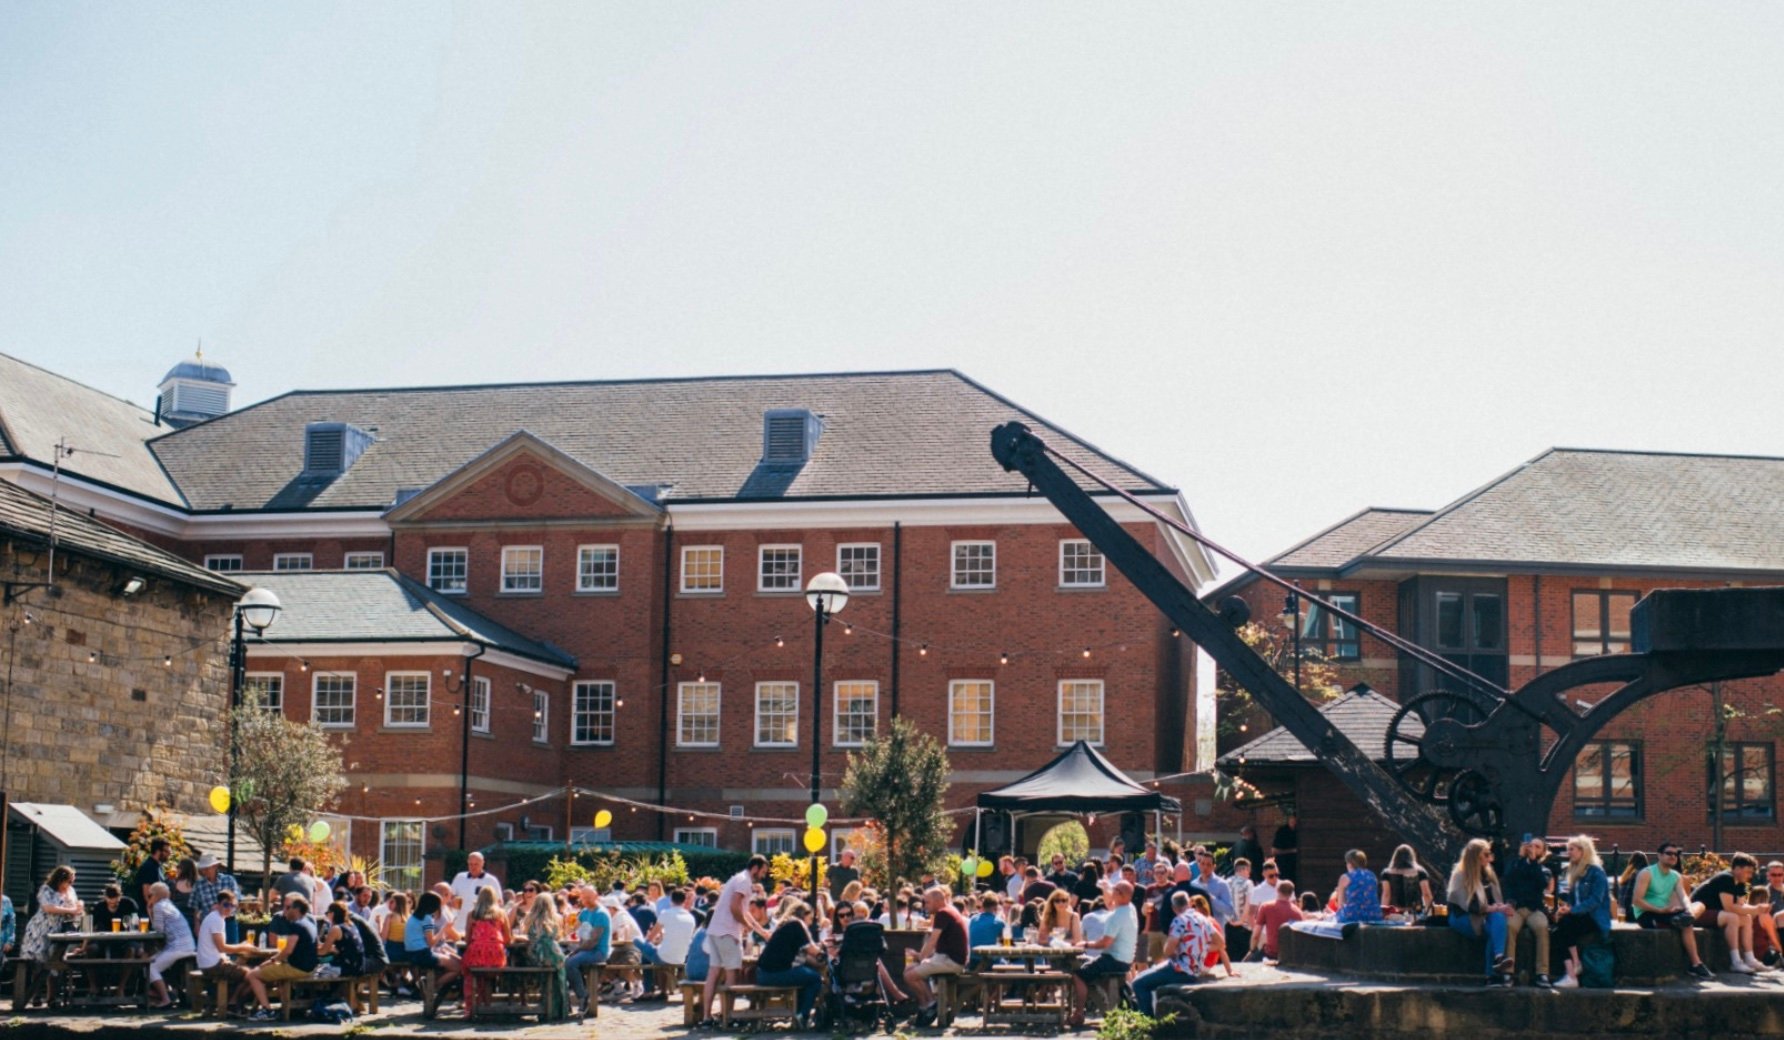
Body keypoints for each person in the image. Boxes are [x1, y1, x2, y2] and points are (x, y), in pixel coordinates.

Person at [698, 853, 768, 1027]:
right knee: (732, 974)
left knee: (713, 974)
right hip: (728, 932)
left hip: (715, 930)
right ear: (755, 868)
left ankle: (707, 1017)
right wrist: (746, 925)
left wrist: (761, 930)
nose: (763, 875)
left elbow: (743, 911)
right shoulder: (744, 882)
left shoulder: (737, 878)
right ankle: (727, 1017)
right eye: (763, 871)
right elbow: (735, 907)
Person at [1131, 891, 1222, 1016]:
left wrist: (1178, 949)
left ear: (1174, 908)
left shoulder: (1179, 921)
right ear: (1189, 903)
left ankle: (1147, 1024)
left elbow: (1168, 951)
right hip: (1195, 969)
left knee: (1138, 983)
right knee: (1149, 973)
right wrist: (1201, 948)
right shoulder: (1203, 920)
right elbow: (1220, 943)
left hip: (1180, 970)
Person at [1631, 841, 1712, 979]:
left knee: (1699, 905)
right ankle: (1696, 964)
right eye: (1669, 853)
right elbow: (1637, 901)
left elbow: (1684, 896)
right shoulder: (1647, 873)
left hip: (1667, 912)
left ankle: (1685, 919)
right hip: (1648, 913)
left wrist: (1688, 911)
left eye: (1676, 854)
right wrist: (1660, 910)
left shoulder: (1675, 876)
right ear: (1659, 855)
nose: (1673, 856)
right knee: (1686, 925)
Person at [195, 889, 274, 1019]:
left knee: (247, 970)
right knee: (252, 975)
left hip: (210, 962)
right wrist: (243, 946)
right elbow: (222, 947)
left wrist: (241, 949)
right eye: (226, 905)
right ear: (218, 904)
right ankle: (233, 1004)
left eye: (232, 906)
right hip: (212, 965)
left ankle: (232, 1003)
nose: (229, 908)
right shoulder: (217, 920)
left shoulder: (215, 917)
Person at [1690, 851, 1770, 975]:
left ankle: (1750, 958)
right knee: (1732, 917)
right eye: (1748, 872)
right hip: (1699, 913)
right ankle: (1735, 962)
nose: (1749, 876)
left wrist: (1758, 908)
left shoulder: (1742, 883)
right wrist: (1756, 909)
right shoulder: (1726, 878)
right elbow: (1730, 907)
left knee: (1747, 918)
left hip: (1716, 914)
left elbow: (1741, 906)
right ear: (1737, 868)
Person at [1446, 838, 1513, 987]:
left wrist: (1499, 908)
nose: (1490, 858)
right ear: (1476, 856)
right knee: (1492, 930)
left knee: (1499, 918)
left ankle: (1498, 958)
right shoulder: (1459, 875)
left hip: (1485, 914)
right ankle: (1493, 973)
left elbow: (1495, 901)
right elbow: (1469, 905)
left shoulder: (1488, 874)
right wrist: (1493, 908)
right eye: (1487, 854)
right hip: (1463, 916)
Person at [1070, 880, 1136, 1028]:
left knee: (1079, 974)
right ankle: (1109, 1010)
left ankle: (1079, 1013)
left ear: (1119, 894)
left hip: (1113, 958)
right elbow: (1110, 903)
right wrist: (1107, 889)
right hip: (1126, 959)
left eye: (1114, 891)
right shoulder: (1130, 909)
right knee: (1090, 969)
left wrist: (1085, 944)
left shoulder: (1115, 917)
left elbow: (1104, 943)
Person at [1551, 835, 1612, 988]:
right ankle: (1574, 970)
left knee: (1563, 927)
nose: (1568, 853)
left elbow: (1595, 901)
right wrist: (1566, 908)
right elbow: (1573, 900)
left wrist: (1572, 910)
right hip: (1579, 916)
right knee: (1557, 931)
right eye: (1568, 850)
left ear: (1583, 851)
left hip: (1594, 918)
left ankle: (1573, 971)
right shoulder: (1576, 872)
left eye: (1571, 849)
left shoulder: (1596, 873)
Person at [754, 899, 824, 1028]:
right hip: (775, 974)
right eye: (810, 918)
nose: (810, 922)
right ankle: (803, 1015)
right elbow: (813, 951)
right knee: (815, 979)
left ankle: (799, 1013)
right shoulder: (798, 925)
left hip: (762, 974)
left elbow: (806, 957)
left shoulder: (785, 926)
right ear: (804, 915)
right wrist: (824, 954)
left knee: (805, 976)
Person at [905, 887, 968, 1027]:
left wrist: (920, 957)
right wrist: (921, 957)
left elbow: (932, 940)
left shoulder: (942, 913)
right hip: (948, 958)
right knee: (909, 971)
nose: (924, 906)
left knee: (909, 976)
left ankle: (931, 1004)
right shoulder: (949, 911)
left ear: (939, 901)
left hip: (951, 961)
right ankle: (926, 1006)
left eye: (927, 902)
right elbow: (934, 944)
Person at [1502, 834, 1553, 986]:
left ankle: (1542, 973)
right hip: (1516, 908)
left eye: (1537, 847)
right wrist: (1521, 857)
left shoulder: (1543, 869)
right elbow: (1509, 878)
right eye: (1531, 845)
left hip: (1534, 909)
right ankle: (1507, 973)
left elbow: (1541, 883)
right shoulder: (1515, 864)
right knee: (1509, 927)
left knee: (1542, 927)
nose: (1533, 848)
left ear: (1542, 853)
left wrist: (1533, 862)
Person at [251, 894, 322, 995]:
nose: (285, 910)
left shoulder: (297, 925)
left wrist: (271, 961)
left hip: (297, 968)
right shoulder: (309, 923)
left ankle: (266, 1008)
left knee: (253, 975)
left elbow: (288, 950)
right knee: (269, 972)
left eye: (289, 907)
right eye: (284, 907)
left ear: (296, 909)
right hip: (309, 967)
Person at [522, 890, 573, 1021]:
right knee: (559, 976)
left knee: (545, 976)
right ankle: (559, 1008)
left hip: (536, 954)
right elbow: (559, 936)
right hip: (553, 953)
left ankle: (546, 1006)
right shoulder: (557, 918)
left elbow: (526, 936)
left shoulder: (529, 917)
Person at [460, 887, 512, 1015]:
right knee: (487, 975)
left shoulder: (472, 914)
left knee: (469, 971)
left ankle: (471, 1006)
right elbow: (508, 939)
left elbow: (467, 941)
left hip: (476, 953)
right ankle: (485, 1004)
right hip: (496, 955)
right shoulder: (501, 914)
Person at [144, 882, 197, 1008]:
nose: (148, 897)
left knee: (150, 967)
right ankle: (166, 992)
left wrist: (149, 911)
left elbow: (158, 930)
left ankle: (165, 999)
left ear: (155, 895)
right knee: (151, 960)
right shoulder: (169, 905)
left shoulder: (158, 907)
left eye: (150, 895)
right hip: (187, 945)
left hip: (178, 947)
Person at [20, 865, 82, 965]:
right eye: (69, 881)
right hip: (41, 929)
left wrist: (79, 906)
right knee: (34, 960)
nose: (71, 884)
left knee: (54, 961)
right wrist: (71, 910)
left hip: (59, 930)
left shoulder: (70, 891)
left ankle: (50, 980)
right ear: (60, 879)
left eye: (72, 881)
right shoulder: (46, 889)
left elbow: (75, 906)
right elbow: (48, 908)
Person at [404, 891, 462, 993]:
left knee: (449, 958)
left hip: (411, 954)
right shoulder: (427, 918)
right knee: (458, 967)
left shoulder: (413, 917)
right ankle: (432, 987)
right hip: (423, 955)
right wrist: (444, 929)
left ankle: (429, 986)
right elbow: (431, 943)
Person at [564, 884, 611, 1010]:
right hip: (584, 949)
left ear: (596, 896)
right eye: (584, 897)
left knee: (570, 963)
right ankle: (564, 1002)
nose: (586, 900)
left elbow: (593, 941)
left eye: (589, 897)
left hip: (598, 951)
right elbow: (573, 930)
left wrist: (575, 951)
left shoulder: (601, 914)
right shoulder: (584, 912)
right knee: (560, 960)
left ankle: (582, 995)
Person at [1250, 880, 1303, 962]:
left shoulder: (1266, 907)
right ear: (1291, 893)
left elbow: (1256, 934)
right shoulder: (1298, 913)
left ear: (1277, 890)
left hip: (1270, 953)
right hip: (1289, 955)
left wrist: (1252, 950)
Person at [1332, 849, 1383, 929]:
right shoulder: (1372, 875)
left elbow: (1340, 905)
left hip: (1353, 916)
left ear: (1350, 864)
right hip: (1374, 915)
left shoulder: (1345, 877)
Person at [189, 854, 241, 931]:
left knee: (231, 943)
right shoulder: (198, 885)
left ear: (215, 866)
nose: (204, 871)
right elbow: (195, 907)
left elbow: (236, 900)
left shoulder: (229, 880)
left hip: (228, 922)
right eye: (203, 869)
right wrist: (197, 924)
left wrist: (220, 907)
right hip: (209, 923)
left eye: (207, 868)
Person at [317, 900, 367, 979]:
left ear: (332, 914)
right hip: (358, 966)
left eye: (327, 914)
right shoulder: (350, 924)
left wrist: (310, 951)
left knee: (316, 973)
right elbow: (341, 947)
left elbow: (323, 951)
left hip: (346, 968)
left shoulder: (336, 929)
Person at [450, 851, 503, 916]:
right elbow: (450, 896)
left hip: (481, 921)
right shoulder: (459, 877)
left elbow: (499, 902)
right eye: (471, 864)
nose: (473, 867)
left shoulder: (491, 880)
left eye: (476, 864)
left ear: (482, 863)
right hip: (460, 922)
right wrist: (453, 900)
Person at [966, 892, 1003, 969]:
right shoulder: (999, 922)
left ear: (983, 906)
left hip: (973, 961)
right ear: (995, 907)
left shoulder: (973, 919)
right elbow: (1005, 942)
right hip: (990, 961)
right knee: (1005, 963)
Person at [134, 838, 173, 907]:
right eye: (166, 851)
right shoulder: (149, 867)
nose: (169, 854)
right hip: (146, 912)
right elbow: (147, 895)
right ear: (158, 851)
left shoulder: (158, 866)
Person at [1616, 851, 1649, 923]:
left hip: (1622, 912)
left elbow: (1622, 898)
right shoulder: (1641, 874)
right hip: (1633, 913)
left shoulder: (1626, 875)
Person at [1270, 812, 1299, 884]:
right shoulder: (1282, 832)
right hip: (1283, 866)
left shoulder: (1299, 831)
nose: (1294, 823)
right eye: (1292, 821)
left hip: (1296, 868)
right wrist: (1292, 851)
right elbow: (1274, 851)